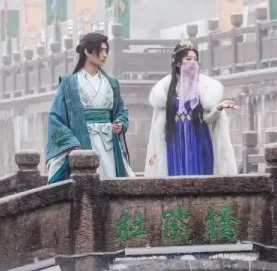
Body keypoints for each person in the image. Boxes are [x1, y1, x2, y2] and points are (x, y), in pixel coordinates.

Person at [45, 32, 135, 183]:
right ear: (87, 51)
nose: (105, 55)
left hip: (108, 143)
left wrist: (120, 123)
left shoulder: (111, 83)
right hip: (82, 141)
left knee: (112, 181)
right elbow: (55, 118)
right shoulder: (69, 84)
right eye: (101, 50)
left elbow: (121, 110)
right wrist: (72, 144)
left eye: (106, 50)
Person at [144, 39, 238, 176]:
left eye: (195, 59)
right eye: (188, 59)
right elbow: (160, 124)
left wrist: (218, 108)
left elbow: (206, 119)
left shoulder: (204, 87)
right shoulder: (165, 89)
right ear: (178, 63)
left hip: (198, 139)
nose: (193, 62)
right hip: (175, 141)